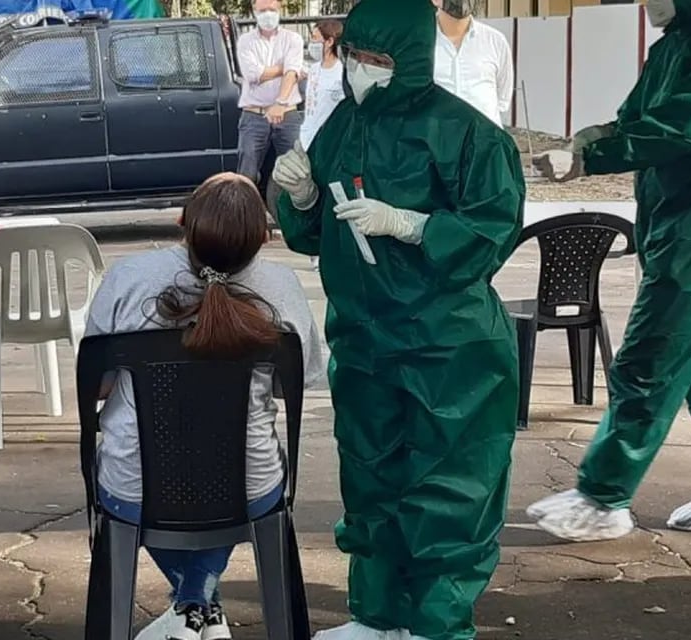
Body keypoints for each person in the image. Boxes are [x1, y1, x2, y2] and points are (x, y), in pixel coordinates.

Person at [273, 0, 526, 636]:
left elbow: (492, 230)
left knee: (450, 490)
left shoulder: (469, 134)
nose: (362, 69)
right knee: (370, 477)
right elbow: (315, 236)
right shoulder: (341, 127)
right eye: (354, 54)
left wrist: (413, 225)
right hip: (364, 337)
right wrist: (299, 198)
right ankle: (377, 615)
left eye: (377, 59)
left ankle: (438, 624)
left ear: (410, 58)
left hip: (450, 345)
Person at [528, 0, 691, 541]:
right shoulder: (679, 39)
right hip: (681, 212)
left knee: (652, 353)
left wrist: (597, 156)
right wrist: (598, 135)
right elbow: (647, 117)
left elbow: (690, 125)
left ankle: (603, 495)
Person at [84, 173, 323, 640]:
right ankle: (198, 609)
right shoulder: (281, 286)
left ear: (183, 223)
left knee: (128, 488)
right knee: (241, 484)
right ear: (262, 238)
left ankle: (192, 609)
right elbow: (291, 385)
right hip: (250, 489)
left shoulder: (128, 278)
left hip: (135, 488)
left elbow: (96, 386)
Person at [236, 0, 305, 185]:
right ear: (254, 10)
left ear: (280, 9)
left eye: (272, 9)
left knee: (296, 174)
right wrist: (285, 68)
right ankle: (246, 213)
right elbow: (253, 74)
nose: (268, 14)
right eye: (263, 10)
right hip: (254, 116)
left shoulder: (293, 39)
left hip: (287, 114)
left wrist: (280, 103)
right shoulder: (245, 41)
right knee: (246, 176)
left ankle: (294, 213)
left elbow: (291, 74)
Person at [299, 18, 345, 272]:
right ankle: (313, 249)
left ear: (329, 41)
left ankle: (330, 248)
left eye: (316, 38)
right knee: (310, 197)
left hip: (330, 145)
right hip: (307, 139)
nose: (313, 43)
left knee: (329, 197)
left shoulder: (341, 74)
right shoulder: (314, 70)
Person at [431, 0, 513, 127]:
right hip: (437, 141)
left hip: (485, 142)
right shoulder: (419, 42)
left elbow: (502, 100)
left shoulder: (496, 41)